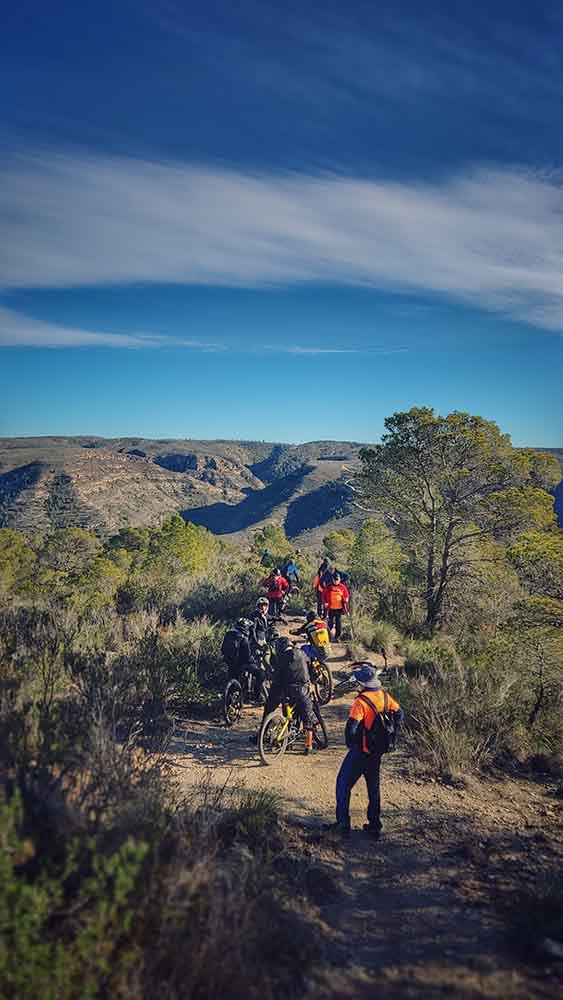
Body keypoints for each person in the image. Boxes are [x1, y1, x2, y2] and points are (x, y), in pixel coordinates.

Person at [334, 664, 403, 837]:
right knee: (374, 788)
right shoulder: (385, 696)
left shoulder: (361, 702)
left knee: (343, 784)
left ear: (363, 683)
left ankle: (343, 825)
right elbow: (400, 714)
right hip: (377, 752)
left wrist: (352, 745)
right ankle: (375, 825)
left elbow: (351, 728)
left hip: (361, 752)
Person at [252, 637, 315, 754]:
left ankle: (261, 735)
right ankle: (308, 746)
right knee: (307, 715)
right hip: (301, 689)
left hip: (283, 688)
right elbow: (310, 668)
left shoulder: (281, 658)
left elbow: (277, 675)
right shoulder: (302, 653)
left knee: (269, 709)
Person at [221, 618, 267, 702]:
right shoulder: (243, 639)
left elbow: (222, 649)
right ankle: (257, 696)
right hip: (242, 664)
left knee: (232, 677)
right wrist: (253, 660)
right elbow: (247, 656)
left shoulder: (228, 634)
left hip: (230, 663)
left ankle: (229, 696)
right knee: (261, 674)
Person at [322, 572, 350, 640]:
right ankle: (328, 636)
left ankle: (337, 637)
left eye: (337, 579)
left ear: (339, 579)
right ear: (332, 579)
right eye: (335, 579)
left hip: (339, 609)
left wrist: (346, 599)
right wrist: (325, 602)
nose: (336, 581)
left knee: (338, 624)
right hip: (331, 608)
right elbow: (323, 595)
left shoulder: (342, 587)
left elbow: (346, 595)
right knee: (330, 623)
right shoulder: (328, 587)